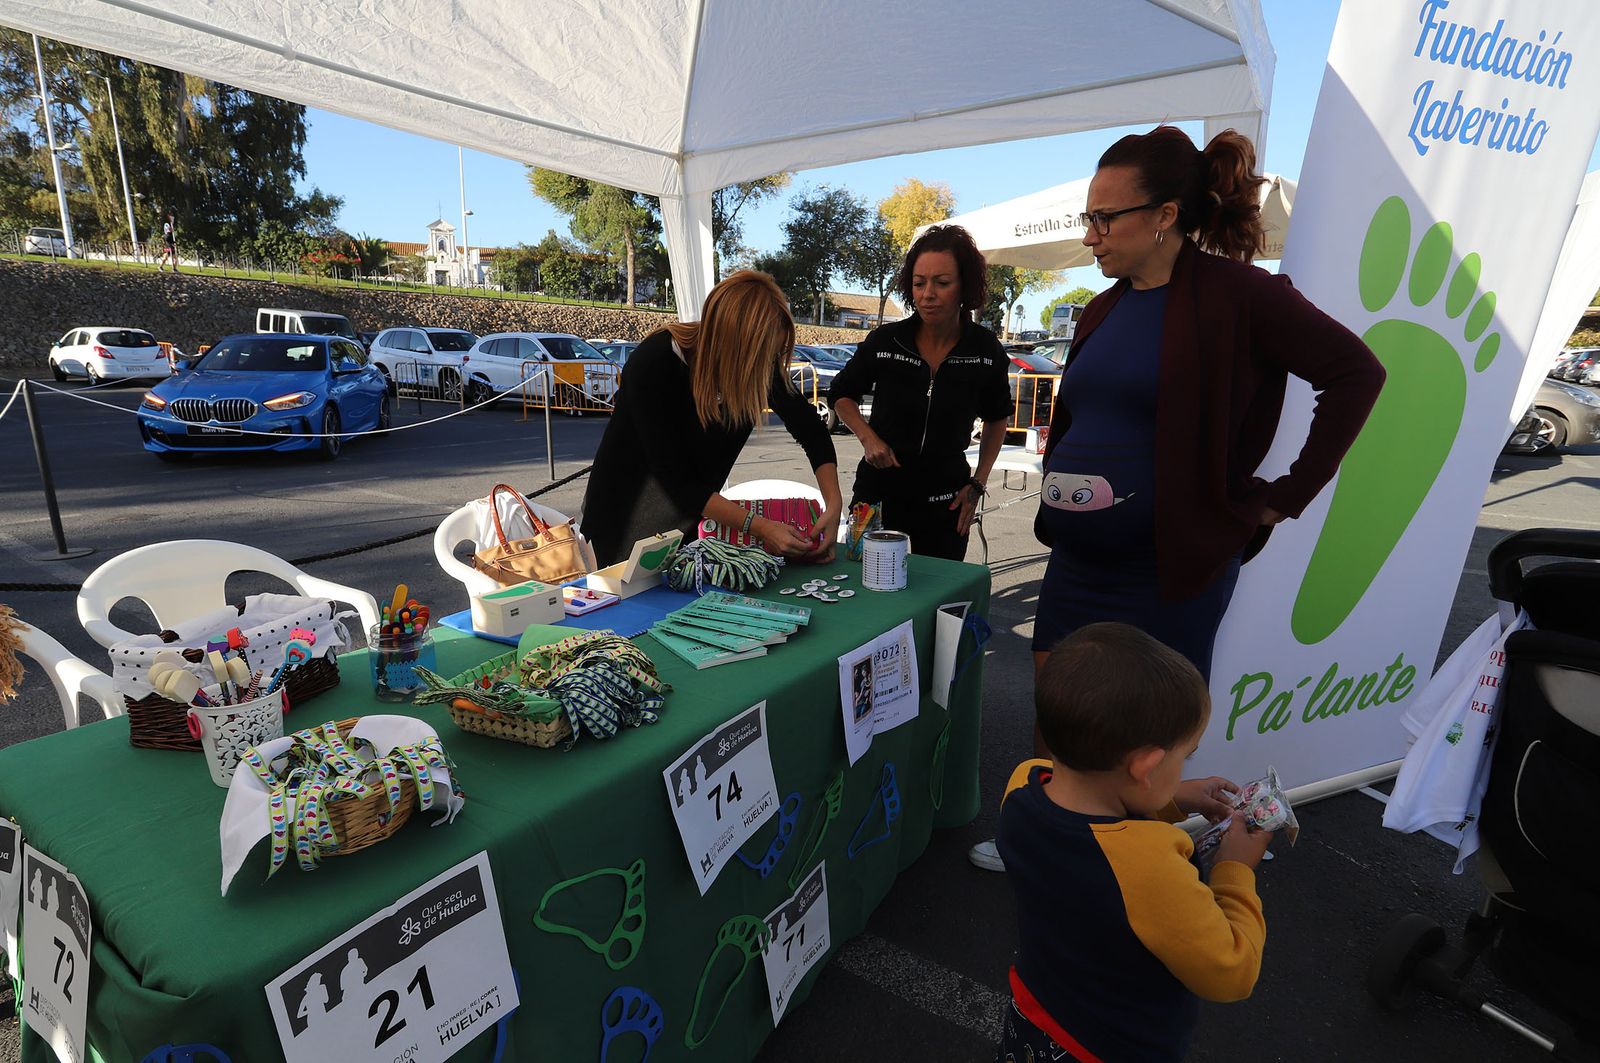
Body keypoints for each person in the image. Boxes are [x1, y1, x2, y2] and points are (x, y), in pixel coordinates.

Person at [968, 125, 1384, 874]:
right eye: (1085, 219)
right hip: (1081, 558)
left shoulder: (1241, 296)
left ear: (1163, 215)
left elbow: (1357, 374)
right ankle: (1044, 837)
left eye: (1104, 218)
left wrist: (1283, 497)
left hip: (1168, 566)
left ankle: (1136, 863)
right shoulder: (1102, 309)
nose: (1090, 235)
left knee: (1144, 732)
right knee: (1060, 705)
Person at [995, 622, 1269, 1063]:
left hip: (1034, 1016)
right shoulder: (1148, 865)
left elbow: (1088, 816)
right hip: (1116, 1046)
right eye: (1186, 756)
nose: (1185, 767)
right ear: (1144, 767)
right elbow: (1231, 971)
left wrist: (1172, 796)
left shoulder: (1022, 785)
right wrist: (1235, 869)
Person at [579, 270, 842, 568]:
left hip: (688, 530)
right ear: (734, 344)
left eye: (774, 355)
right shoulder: (656, 362)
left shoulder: (759, 367)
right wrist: (763, 528)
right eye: (763, 355)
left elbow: (811, 430)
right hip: (620, 530)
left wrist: (834, 504)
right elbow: (679, 483)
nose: (768, 366)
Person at [828, 225, 1012, 561]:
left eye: (942, 283)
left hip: (946, 504)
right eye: (919, 282)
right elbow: (841, 395)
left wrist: (978, 483)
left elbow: (997, 417)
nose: (928, 293)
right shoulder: (886, 341)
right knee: (868, 590)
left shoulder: (985, 350)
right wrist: (868, 438)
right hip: (876, 498)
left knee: (936, 602)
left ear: (964, 287)